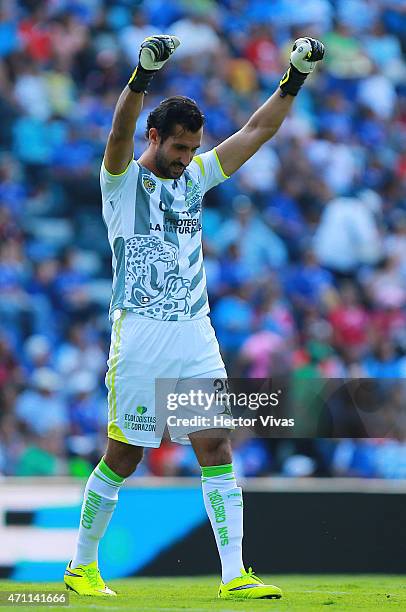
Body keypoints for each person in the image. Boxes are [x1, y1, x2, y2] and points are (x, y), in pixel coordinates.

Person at [64, 34, 324, 599]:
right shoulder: (120, 183)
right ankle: (81, 565)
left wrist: (294, 78)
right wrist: (142, 76)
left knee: (216, 447)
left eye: (192, 149)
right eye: (179, 148)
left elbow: (257, 131)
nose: (187, 160)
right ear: (155, 138)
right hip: (140, 334)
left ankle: (234, 574)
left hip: (195, 334)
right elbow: (117, 134)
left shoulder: (197, 179)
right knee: (124, 455)